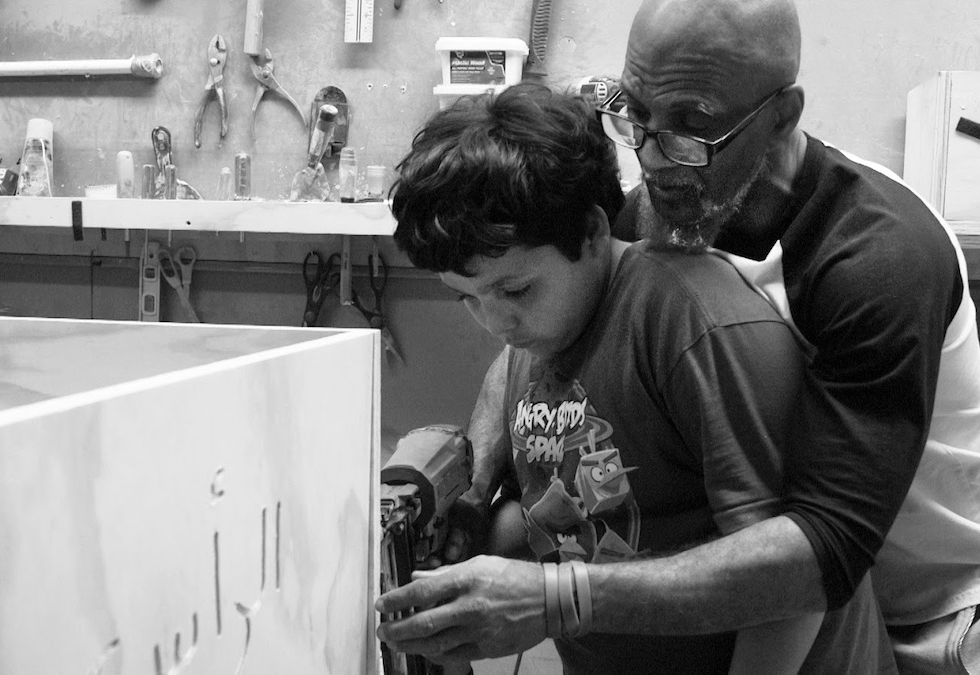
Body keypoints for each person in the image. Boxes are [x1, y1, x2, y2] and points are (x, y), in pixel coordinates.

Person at [413, 0, 980, 672]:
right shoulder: (662, 207)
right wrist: (475, 477)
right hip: (822, 599)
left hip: (960, 597)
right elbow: (535, 329)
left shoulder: (877, 259)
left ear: (782, 116)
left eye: (692, 127)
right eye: (635, 113)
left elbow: (824, 548)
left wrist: (557, 596)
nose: (651, 154)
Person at [376, 83, 895, 673]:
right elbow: (584, 520)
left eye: (514, 289)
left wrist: (550, 599)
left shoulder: (695, 327)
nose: (496, 322)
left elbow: (786, 590)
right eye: (467, 299)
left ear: (595, 231)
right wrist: (466, 531)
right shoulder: (544, 331)